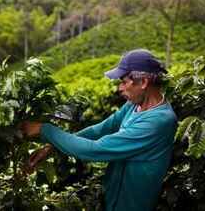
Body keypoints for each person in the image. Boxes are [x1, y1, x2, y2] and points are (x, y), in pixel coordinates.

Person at [21, 49, 178, 210]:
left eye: (124, 81)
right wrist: (52, 148)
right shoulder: (134, 105)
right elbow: (100, 130)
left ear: (143, 82)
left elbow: (95, 149)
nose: (119, 88)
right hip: (111, 201)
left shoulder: (159, 122)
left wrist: (45, 130)